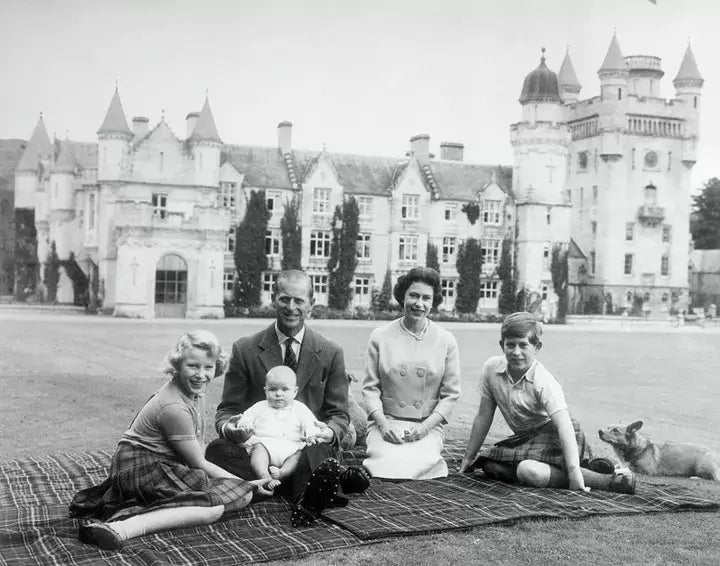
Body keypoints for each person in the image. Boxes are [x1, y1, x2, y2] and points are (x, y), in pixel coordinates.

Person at [69, 330, 271, 551]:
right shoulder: (173, 407)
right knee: (214, 508)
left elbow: (198, 447)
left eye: (208, 367)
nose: (201, 375)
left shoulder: (195, 392)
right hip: (138, 467)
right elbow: (199, 463)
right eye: (193, 366)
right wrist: (245, 483)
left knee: (237, 496)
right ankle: (121, 527)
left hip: (161, 466)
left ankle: (147, 510)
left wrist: (239, 485)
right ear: (177, 364)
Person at [206, 269, 370, 527]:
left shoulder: (331, 352)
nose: (291, 307)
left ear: (311, 304)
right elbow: (227, 410)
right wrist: (232, 428)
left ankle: (289, 487)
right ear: (273, 299)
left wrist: (328, 432)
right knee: (216, 450)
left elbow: (339, 414)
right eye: (284, 299)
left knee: (321, 450)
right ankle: (319, 485)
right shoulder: (245, 349)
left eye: (299, 300)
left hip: (304, 448)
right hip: (258, 447)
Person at [458, 312, 636, 494]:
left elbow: (564, 426)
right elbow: (483, 416)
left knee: (527, 471)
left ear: (537, 347)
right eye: (510, 345)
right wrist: (468, 457)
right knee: (489, 465)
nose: (516, 352)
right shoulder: (491, 368)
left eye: (523, 345)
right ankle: (589, 467)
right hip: (525, 439)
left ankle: (608, 480)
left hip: (557, 434)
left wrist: (574, 472)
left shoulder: (543, 381)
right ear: (501, 345)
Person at [362, 266, 460, 479]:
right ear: (402, 297)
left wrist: (425, 427)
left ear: (433, 302)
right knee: (387, 465)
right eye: (413, 295)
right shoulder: (380, 336)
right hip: (387, 423)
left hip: (426, 425)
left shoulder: (446, 340)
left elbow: (451, 395)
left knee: (419, 465)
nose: (419, 303)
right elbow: (370, 389)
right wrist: (383, 424)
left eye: (426, 298)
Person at [237, 366, 322, 490]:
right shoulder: (260, 407)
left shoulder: (300, 408)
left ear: (295, 391)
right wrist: (245, 425)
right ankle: (264, 476)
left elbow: (311, 423)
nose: (278, 394)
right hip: (265, 445)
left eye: (285, 389)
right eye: (272, 389)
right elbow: (247, 417)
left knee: (297, 456)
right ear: (265, 391)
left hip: (290, 447)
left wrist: (311, 434)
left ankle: (282, 473)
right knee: (258, 452)